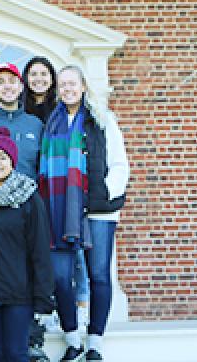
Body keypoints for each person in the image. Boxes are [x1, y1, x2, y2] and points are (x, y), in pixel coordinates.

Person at [39, 65, 129, 362]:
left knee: (99, 274)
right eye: (62, 84)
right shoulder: (51, 123)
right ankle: (73, 339)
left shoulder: (102, 120)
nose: (67, 89)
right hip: (59, 210)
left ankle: (95, 343)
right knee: (61, 278)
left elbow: (119, 163)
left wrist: (103, 193)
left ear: (83, 86)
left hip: (98, 210)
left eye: (72, 83)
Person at [0, 127, 54, 362]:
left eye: (2, 157)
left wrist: (43, 297)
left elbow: (40, 250)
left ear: (12, 162)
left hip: (19, 294)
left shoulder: (28, 198)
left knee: (16, 354)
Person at [0, 62, 43, 179]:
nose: (7, 86)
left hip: (31, 195)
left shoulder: (36, 125)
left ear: (21, 87)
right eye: (1, 82)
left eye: (12, 81)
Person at [22, 57, 57, 123]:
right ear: (26, 78)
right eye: (33, 74)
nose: (38, 79)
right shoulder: (17, 107)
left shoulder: (61, 109)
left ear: (52, 79)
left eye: (43, 74)